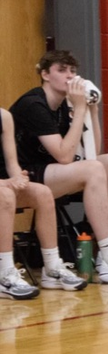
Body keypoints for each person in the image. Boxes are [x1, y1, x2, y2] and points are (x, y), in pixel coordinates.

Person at [10, 50, 108, 284]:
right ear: (46, 75)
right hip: (21, 175)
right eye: (62, 70)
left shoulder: (64, 105)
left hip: (49, 171)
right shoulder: (34, 104)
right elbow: (65, 156)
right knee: (93, 170)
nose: (70, 77)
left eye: (73, 71)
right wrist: (79, 109)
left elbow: (93, 153)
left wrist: (91, 110)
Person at [1, 107, 87, 298]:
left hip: (3, 185)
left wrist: (18, 177)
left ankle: (52, 267)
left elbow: (11, 162)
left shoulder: (4, 117)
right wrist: (5, 183)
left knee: (42, 192)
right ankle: (4, 272)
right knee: (5, 196)